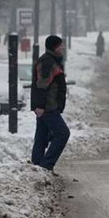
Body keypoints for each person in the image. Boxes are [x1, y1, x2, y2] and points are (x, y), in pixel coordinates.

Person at [31, 35, 70, 173]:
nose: (62, 48)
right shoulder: (48, 62)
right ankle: (46, 165)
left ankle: (37, 166)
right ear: (54, 47)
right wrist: (40, 106)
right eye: (60, 45)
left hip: (48, 106)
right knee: (63, 133)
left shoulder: (52, 60)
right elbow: (41, 85)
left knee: (42, 136)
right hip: (47, 107)